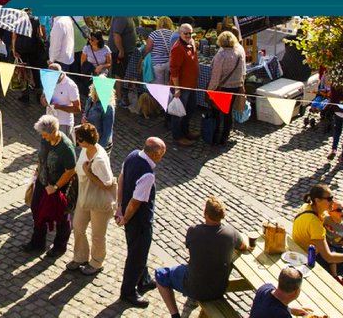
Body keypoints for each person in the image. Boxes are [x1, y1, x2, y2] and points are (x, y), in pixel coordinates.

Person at [152, 196, 249, 318]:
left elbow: (192, 251)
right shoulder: (231, 233)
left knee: (160, 275)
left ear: (205, 213)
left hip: (194, 286)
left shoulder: (193, 231)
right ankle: (191, 301)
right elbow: (243, 246)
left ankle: (175, 315)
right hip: (218, 288)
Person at [116, 137, 166, 307]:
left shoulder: (132, 155)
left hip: (129, 217)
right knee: (136, 256)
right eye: (160, 154)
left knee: (138, 251)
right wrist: (125, 217)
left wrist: (119, 206)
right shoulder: (147, 175)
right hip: (140, 221)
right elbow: (136, 202)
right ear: (152, 153)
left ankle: (143, 279)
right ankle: (128, 292)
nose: (161, 157)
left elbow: (121, 178)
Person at [292, 183, 343, 296]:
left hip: (301, 250)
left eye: (332, 197)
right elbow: (328, 257)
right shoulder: (314, 223)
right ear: (318, 200)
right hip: (310, 259)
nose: (332, 201)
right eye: (329, 199)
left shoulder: (306, 207)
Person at [68, 123, 117, 276]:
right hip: (85, 195)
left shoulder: (100, 159)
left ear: (83, 140)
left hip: (98, 200)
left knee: (97, 234)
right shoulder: (85, 150)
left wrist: (88, 174)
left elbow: (107, 184)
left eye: (78, 140)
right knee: (78, 226)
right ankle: (80, 256)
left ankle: (96, 262)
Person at [24, 115, 75, 257]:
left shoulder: (66, 147)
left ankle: (60, 246)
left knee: (61, 216)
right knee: (36, 209)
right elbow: (42, 156)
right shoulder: (44, 139)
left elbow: (70, 170)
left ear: (53, 132)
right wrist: (37, 170)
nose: (44, 137)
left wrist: (56, 187)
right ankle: (38, 243)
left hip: (58, 186)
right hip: (42, 180)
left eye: (46, 135)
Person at [207, 31, 246, 146]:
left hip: (222, 88)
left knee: (217, 112)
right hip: (235, 86)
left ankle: (216, 135)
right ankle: (225, 136)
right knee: (228, 112)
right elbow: (242, 71)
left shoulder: (221, 55)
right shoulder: (238, 52)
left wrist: (211, 90)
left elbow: (216, 75)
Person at [169, 24, 201, 146]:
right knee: (178, 112)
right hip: (181, 87)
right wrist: (177, 88)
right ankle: (178, 136)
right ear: (180, 33)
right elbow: (174, 70)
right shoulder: (177, 48)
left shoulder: (191, 42)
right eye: (185, 33)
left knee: (190, 109)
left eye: (190, 33)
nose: (188, 35)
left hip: (191, 84)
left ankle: (185, 131)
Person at [40, 64, 81, 134]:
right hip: (48, 121)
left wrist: (59, 107)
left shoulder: (70, 85)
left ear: (60, 74)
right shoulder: (48, 81)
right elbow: (43, 99)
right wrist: (44, 101)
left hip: (63, 123)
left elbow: (77, 109)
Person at [108, 16, 136, 106]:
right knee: (118, 74)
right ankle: (118, 98)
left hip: (123, 51)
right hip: (119, 52)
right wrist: (121, 50)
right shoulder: (122, 16)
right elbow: (116, 34)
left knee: (119, 74)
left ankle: (117, 95)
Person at [82, 84, 115, 149]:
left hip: (99, 144)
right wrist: (84, 118)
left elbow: (107, 133)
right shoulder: (90, 99)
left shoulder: (108, 107)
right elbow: (85, 113)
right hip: (88, 139)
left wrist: (98, 149)